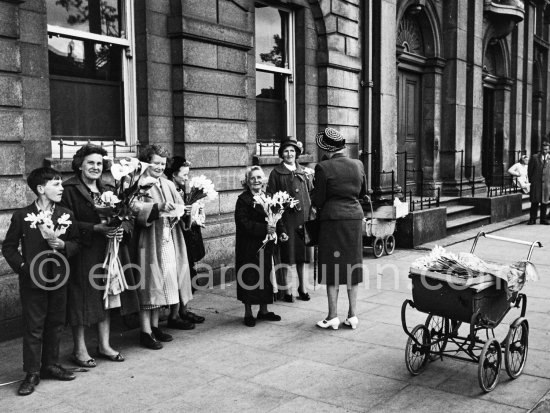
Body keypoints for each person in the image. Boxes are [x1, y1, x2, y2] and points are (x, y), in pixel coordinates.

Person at [2, 167, 80, 395]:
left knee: (56, 323)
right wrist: (24, 267)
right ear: (40, 189)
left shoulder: (65, 213)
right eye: (56, 184)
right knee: (34, 326)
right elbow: (8, 247)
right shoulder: (22, 216)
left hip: (59, 277)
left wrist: (64, 246)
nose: (62, 188)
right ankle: (32, 372)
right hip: (32, 281)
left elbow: (76, 242)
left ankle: (50, 365)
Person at [61, 144, 139, 366]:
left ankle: (104, 345)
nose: (95, 167)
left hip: (108, 251)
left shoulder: (109, 188)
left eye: (99, 163)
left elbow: (126, 216)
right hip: (83, 252)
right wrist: (95, 229)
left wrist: (122, 227)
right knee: (81, 299)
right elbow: (66, 224)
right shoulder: (69, 190)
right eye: (90, 163)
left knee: (107, 296)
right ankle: (80, 350)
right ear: (80, 165)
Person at [131, 145, 193, 350]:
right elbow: (133, 208)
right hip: (149, 241)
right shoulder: (137, 183)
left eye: (162, 163)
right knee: (149, 283)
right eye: (155, 162)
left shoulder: (167, 183)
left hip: (168, 238)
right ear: (146, 162)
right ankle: (145, 331)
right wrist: (157, 208)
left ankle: (156, 326)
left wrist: (185, 210)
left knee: (162, 283)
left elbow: (179, 205)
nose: (159, 166)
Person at [311, 127, 367, 330]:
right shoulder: (358, 164)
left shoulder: (323, 167)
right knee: (352, 266)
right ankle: (352, 315)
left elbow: (318, 200)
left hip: (332, 220)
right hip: (354, 219)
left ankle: (332, 316)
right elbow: (363, 192)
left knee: (332, 267)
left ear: (327, 149)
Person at [235, 166, 284, 327]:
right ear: (247, 181)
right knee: (249, 277)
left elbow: (277, 216)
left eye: (259, 177)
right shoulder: (243, 199)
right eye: (252, 178)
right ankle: (248, 312)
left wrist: (281, 231)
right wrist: (264, 229)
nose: (256, 181)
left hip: (267, 245)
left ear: (264, 180)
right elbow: (243, 223)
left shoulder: (269, 196)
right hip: (249, 246)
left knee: (266, 276)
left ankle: (263, 310)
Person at [267, 138, 313, 302]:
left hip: (304, 219)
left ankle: (303, 287)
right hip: (286, 220)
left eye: (292, 151)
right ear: (281, 154)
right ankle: (287, 290)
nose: (289, 154)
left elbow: (311, 193)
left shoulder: (304, 172)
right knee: (287, 255)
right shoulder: (276, 173)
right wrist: (279, 223)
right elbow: (271, 199)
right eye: (286, 151)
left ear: (297, 153)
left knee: (303, 256)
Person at [166, 156, 206, 325]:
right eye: (184, 175)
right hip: (175, 237)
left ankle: (184, 309)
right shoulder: (170, 190)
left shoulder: (183, 190)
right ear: (174, 174)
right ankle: (174, 314)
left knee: (188, 272)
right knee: (179, 274)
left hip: (187, 236)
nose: (186, 178)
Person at [527, 141, 550, 225]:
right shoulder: (535, 157)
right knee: (534, 202)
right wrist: (531, 180)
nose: (545, 151)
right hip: (536, 183)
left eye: (546, 149)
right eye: (543, 149)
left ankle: (543, 219)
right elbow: (530, 170)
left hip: (547, 184)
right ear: (541, 149)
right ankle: (532, 219)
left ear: (549, 149)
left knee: (544, 202)